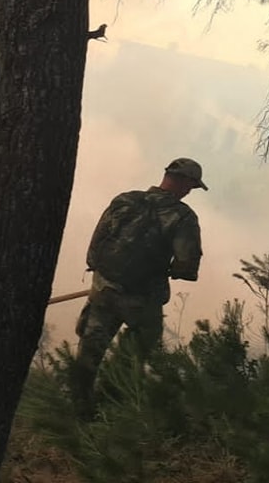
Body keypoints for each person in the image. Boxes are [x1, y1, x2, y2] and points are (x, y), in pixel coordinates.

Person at [70, 157, 206, 419]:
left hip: (104, 292)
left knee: (88, 354)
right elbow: (187, 265)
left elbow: (96, 246)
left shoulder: (125, 200)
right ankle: (110, 409)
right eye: (191, 185)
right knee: (132, 357)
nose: (190, 191)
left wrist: (103, 276)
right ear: (184, 182)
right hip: (143, 302)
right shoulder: (182, 216)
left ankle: (78, 412)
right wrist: (173, 270)